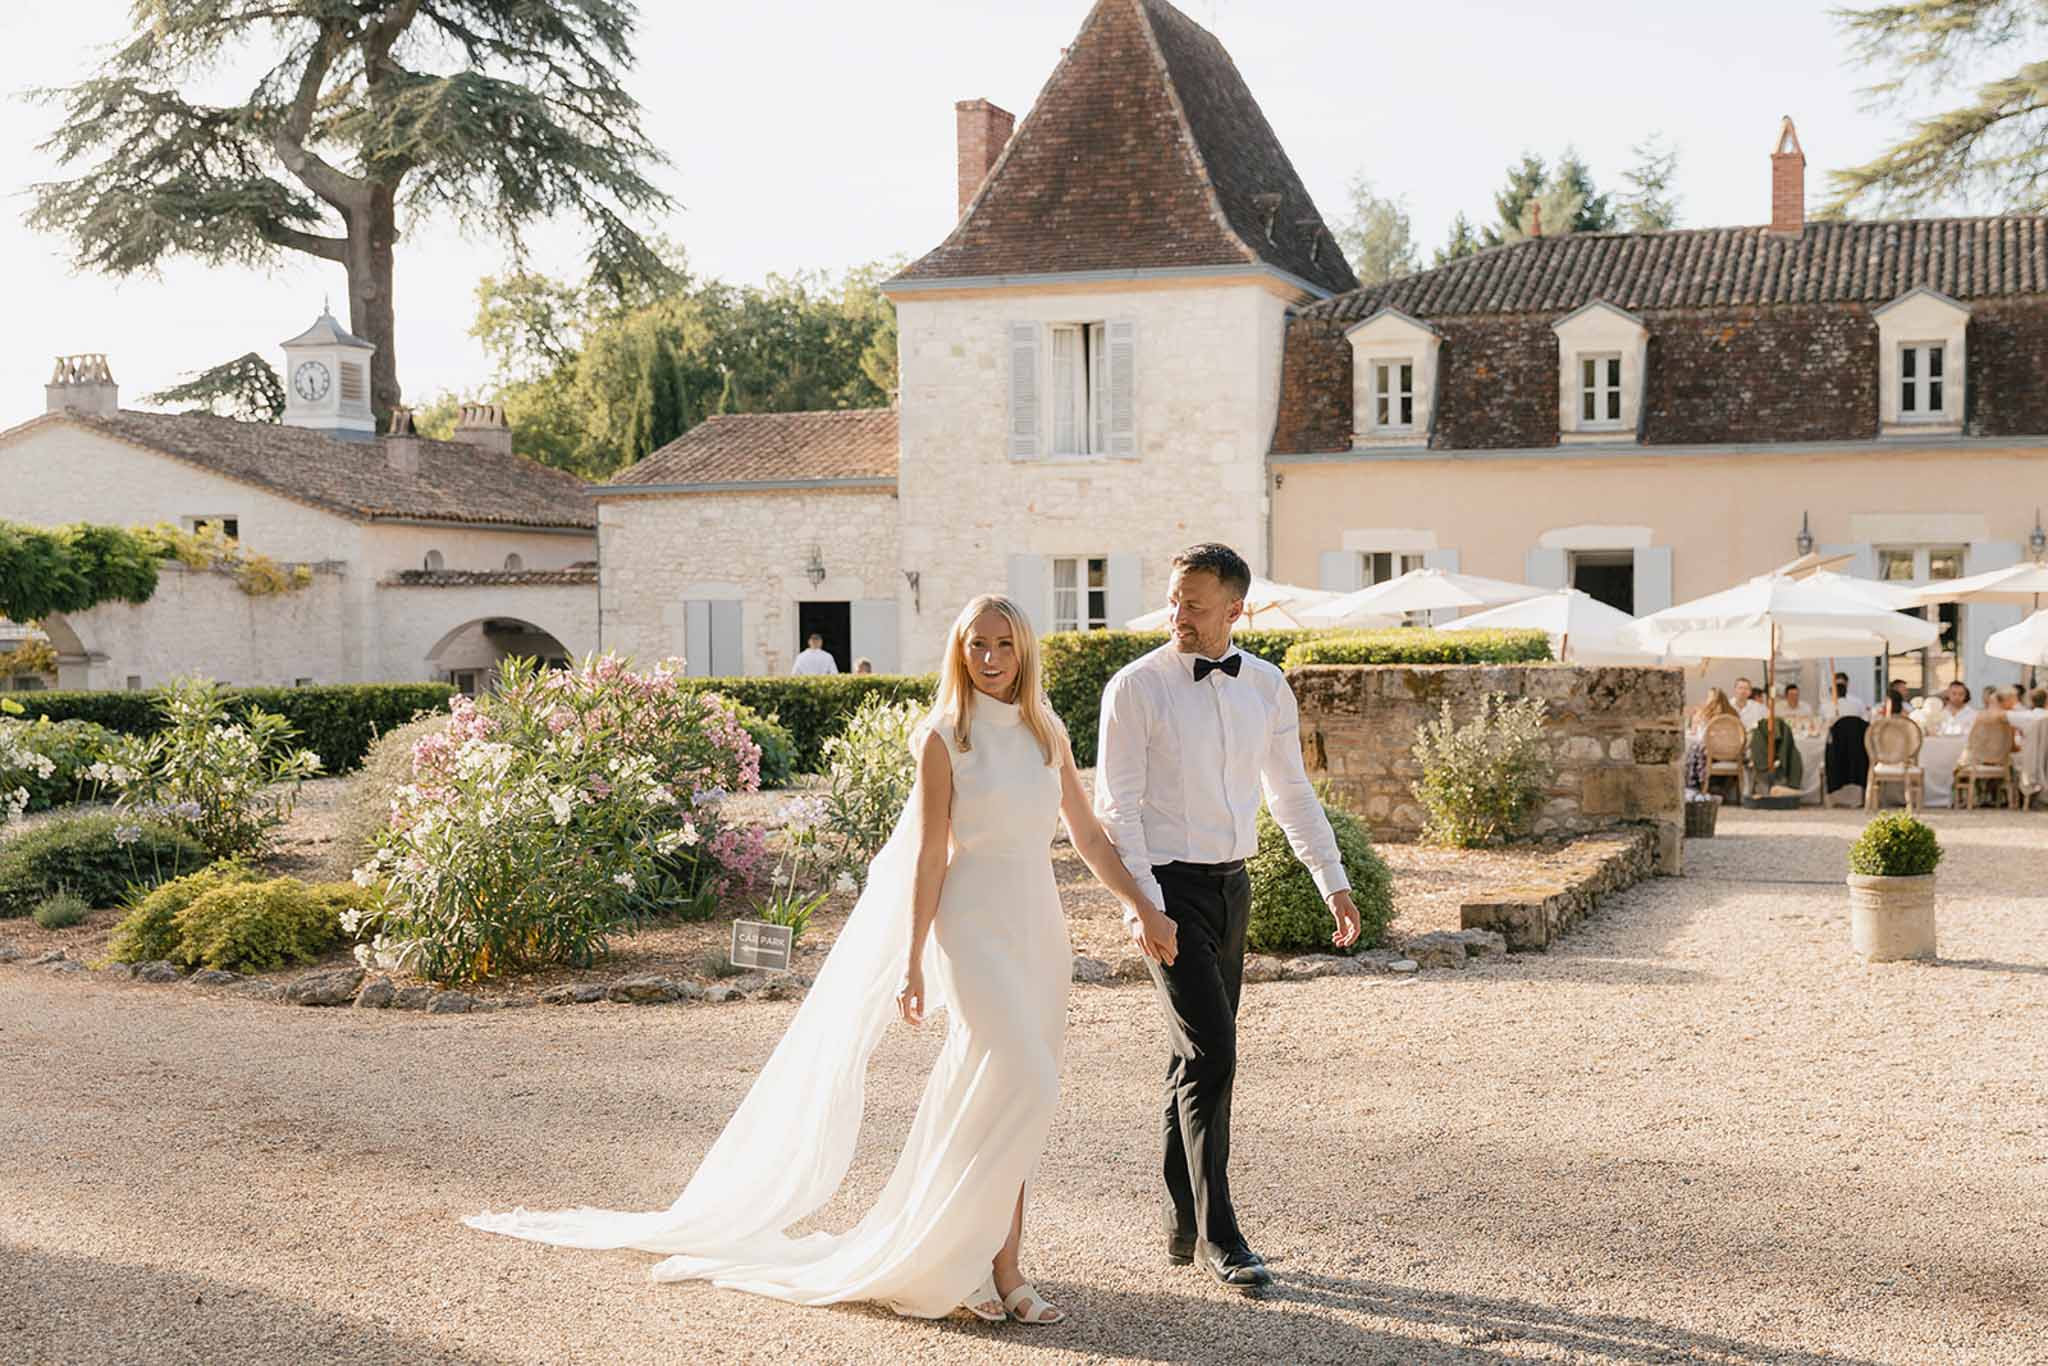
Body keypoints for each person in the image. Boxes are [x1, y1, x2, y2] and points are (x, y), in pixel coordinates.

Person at [467, 594, 1165, 1325]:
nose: (988, 659)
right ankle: (986, 1262)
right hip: (973, 923)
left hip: (1038, 927)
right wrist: (913, 960)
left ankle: (997, 1264)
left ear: (1024, 652)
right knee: (1026, 1073)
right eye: (975, 645)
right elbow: (929, 856)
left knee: (1008, 1097)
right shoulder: (943, 737)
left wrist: (1141, 905)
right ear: (959, 651)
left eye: (1003, 646)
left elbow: (1086, 836)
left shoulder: (1044, 730)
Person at [1095, 543, 1361, 1293]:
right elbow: (1118, 808)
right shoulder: (1135, 688)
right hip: (1166, 888)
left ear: (1235, 610)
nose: (1179, 614)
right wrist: (1143, 905)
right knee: (1214, 1055)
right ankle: (1221, 1236)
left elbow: (1292, 795)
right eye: (1175, 600)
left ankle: (1182, 1222)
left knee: (1191, 1058)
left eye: (1196, 604)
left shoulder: (1268, 687)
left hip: (1232, 887)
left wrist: (1332, 882)